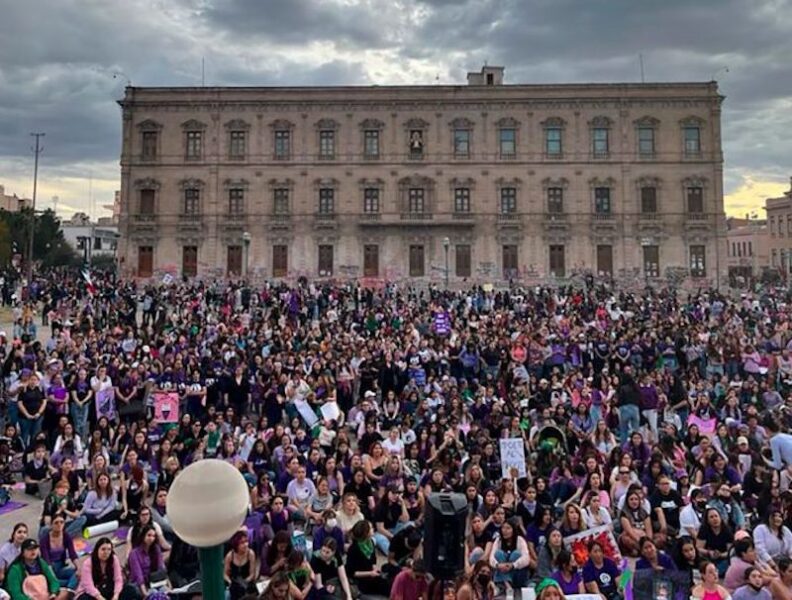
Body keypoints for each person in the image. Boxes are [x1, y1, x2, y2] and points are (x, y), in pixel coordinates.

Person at [345, 520, 391, 597]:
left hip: (372, 573)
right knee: (386, 586)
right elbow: (352, 572)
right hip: (362, 579)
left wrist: (374, 568)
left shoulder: (371, 543)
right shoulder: (353, 549)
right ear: (366, 533)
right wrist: (370, 573)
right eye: (371, 528)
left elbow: (373, 560)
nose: (373, 529)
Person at [39, 513, 79, 590]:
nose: (59, 525)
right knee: (53, 581)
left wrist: (79, 569)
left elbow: (73, 554)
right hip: (49, 569)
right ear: (51, 525)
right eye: (56, 523)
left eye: (62, 522)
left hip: (60, 567)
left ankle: (67, 589)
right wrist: (52, 578)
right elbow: (46, 561)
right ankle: (68, 587)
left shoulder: (66, 536)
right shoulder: (44, 540)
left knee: (77, 574)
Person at [489, 517, 530, 590]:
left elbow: (526, 558)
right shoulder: (498, 540)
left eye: (508, 528)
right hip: (501, 569)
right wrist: (498, 565)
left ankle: (506, 583)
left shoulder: (520, 540)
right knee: (498, 553)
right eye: (503, 528)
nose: (505, 531)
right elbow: (491, 558)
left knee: (516, 554)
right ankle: (507, 583)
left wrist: (513, 565)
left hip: (516, 573)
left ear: (513, 530)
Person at [127, 524, 166, 596]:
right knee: (154, 593)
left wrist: (168, 585)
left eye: (154, 536)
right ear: (143, 536)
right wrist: (145, 593)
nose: (151, 538)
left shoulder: (156, 549)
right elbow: (138, 575)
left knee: (164, 591)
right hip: (139, 584)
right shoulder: (134, 553)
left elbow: (161, 567)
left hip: (153, 581)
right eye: (149, 535)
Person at [224, 530, 258, 600]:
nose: (246, 544)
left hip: (247, 583)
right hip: (234, 583)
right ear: (236, 544)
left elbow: (252, 574)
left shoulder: (251, 554)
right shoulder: (230, 556)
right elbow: (225, 574)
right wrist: (230, 582)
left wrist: (244, 582)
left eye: (246, 541)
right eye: (242, 543)